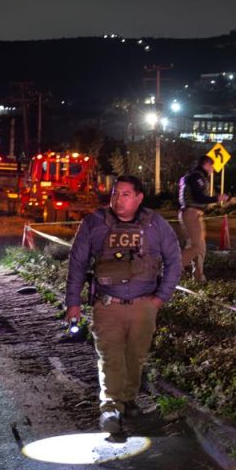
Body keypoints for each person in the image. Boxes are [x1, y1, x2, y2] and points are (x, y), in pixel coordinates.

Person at [64, 176, 182, 434]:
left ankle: (128, 399)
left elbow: (174, 261)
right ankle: (110, 408)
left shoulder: (155, 225)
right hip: (107, 305)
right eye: (115, 193)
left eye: (125, 194)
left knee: (135, 356)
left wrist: (160, 298)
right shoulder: (94, 223)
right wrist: (73, 302)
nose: (118, 200)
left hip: (144, 305)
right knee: (110, 358)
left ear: (139, 198)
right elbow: (77, 264)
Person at [178, 156, 228, 282]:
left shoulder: (192, 176)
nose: (213, 170)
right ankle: (171, 269)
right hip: (192, 213)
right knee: (197, 247)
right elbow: (199, 197)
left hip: (191, 212)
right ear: (206, 165)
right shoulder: (197, 177)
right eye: (212, 166)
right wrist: (216, 198)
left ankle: (199, 277)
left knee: (201, 247)